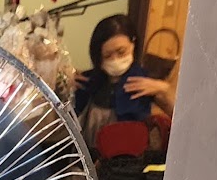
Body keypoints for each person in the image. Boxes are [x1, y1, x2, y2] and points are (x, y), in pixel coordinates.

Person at [73, 13, 175, 150]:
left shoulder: (144, 81)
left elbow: (182, 120)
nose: (115, 60)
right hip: (87, 155)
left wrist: (164, 89)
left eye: (121, 52)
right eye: (108, 55)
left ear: (133, 43)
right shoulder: (88, 81)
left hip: (128, 158)